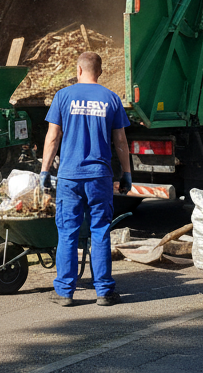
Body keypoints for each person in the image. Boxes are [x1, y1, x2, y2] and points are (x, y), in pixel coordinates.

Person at [39, 52, 133, 306]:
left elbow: (53, 137)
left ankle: (65, 292)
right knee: (100, 231)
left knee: (67, 232)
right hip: (99, 177)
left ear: (78, 70)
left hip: (70, 177)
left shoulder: (63, 96)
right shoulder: (111, 99)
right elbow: (121, 141)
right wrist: (126, 173)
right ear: (100, 72)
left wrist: (45, 171)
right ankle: (104, 291)